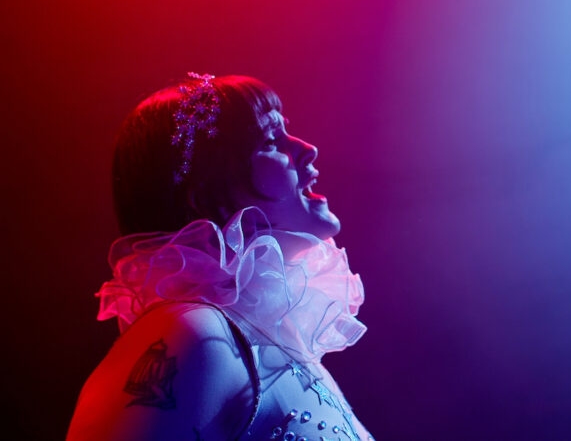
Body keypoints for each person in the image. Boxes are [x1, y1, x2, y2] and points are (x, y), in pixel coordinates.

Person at [67, 73, 372, 441]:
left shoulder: (270, 340)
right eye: (270, 140)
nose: (308, 149)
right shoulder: (190, 333)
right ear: (204, 195)